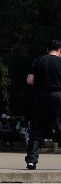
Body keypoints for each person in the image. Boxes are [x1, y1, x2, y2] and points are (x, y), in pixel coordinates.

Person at [25, 39, 61, 170]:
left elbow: (30, 80)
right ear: (59, 50)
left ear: (47, 50)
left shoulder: (38, 60)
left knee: (37, 129)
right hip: (58, 96)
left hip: (40, 97)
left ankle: (31, 160)